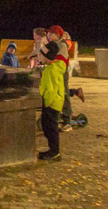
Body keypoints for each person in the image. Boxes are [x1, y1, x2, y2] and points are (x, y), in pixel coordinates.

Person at [38, 25, 69, 161]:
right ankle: (53, 150)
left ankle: (55, 152)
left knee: (51, 126)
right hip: (50, 98)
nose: (49, 36)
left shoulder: (54, 68)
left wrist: (47, 99)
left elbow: (53, 86)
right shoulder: (50, 67)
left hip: (53, 100)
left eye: (51, 34)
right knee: (47, 125)